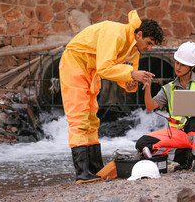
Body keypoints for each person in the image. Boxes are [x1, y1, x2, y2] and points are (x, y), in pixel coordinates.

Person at [59, 10, 164, 184]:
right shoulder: (115, 33)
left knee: (92, 118)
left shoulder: (134, 49)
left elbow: (127, 74)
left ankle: (94, 169)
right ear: (139, 34)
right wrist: (132, 74)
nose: (149, 48)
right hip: (74, 63)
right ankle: (82, 173)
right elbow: (105, 67)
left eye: (152, 45)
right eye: (149, 43)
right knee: (79, 116)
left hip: (90, 69)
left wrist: (130, 84)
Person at [136, 41, 195, 172]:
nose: (178, 67)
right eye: (177, 63)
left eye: (183, 64)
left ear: (192, 66)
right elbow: (150, 106)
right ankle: (185, 158)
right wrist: (147, 88)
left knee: (194, 120)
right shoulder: (169, 88)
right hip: (180, 134)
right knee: (142, 143)